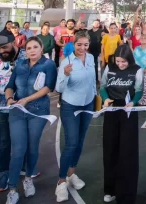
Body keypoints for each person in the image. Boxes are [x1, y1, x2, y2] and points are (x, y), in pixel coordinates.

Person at [4, 37, 57, 204]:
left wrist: (27, 99)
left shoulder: (48, 65)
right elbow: (9, 86)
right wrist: (9, 99)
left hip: (38, 111)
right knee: (18, 149)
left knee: (32, 146)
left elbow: (49, 87)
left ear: (41, 49)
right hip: (18, 111)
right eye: (29, 48)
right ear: (25, 50)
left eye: (35, 47)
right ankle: (12, 188)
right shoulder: (20, 65)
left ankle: (28, 178)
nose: (32, 50)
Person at [0, 33, 29, 192]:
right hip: (3, 107)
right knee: (4, 142)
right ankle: (4, 173)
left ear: (14, 42)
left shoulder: (28, 58)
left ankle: (24, 167)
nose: (2, 51)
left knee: (23, 139)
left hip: (25, 106)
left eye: (4, 47)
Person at [55, 31, 97, 202]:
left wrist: (95, 98)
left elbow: (93, 81)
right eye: (79, 44)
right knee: (71, 143)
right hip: (70, 105)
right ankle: (61, 182)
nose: (82, 48)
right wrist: (65, 74)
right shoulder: (67, 62)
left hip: (87, 104)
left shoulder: (91, 58)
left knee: (79, 142)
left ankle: (72, 174)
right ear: (74, 43)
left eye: (85, 44)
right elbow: (59, 88)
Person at [99, 44, 142, 204]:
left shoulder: (136, 69)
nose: (121, 65)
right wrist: (105, 99)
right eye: (118, 61)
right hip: (111, 109)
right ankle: (110, 189)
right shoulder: (109, 68)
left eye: (124, 62)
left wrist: (134, 102)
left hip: (129, 111)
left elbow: (139, 90)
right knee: (110, 148)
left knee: (128, 151)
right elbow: (102, 87)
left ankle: (127, 193)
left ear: (129, 60)